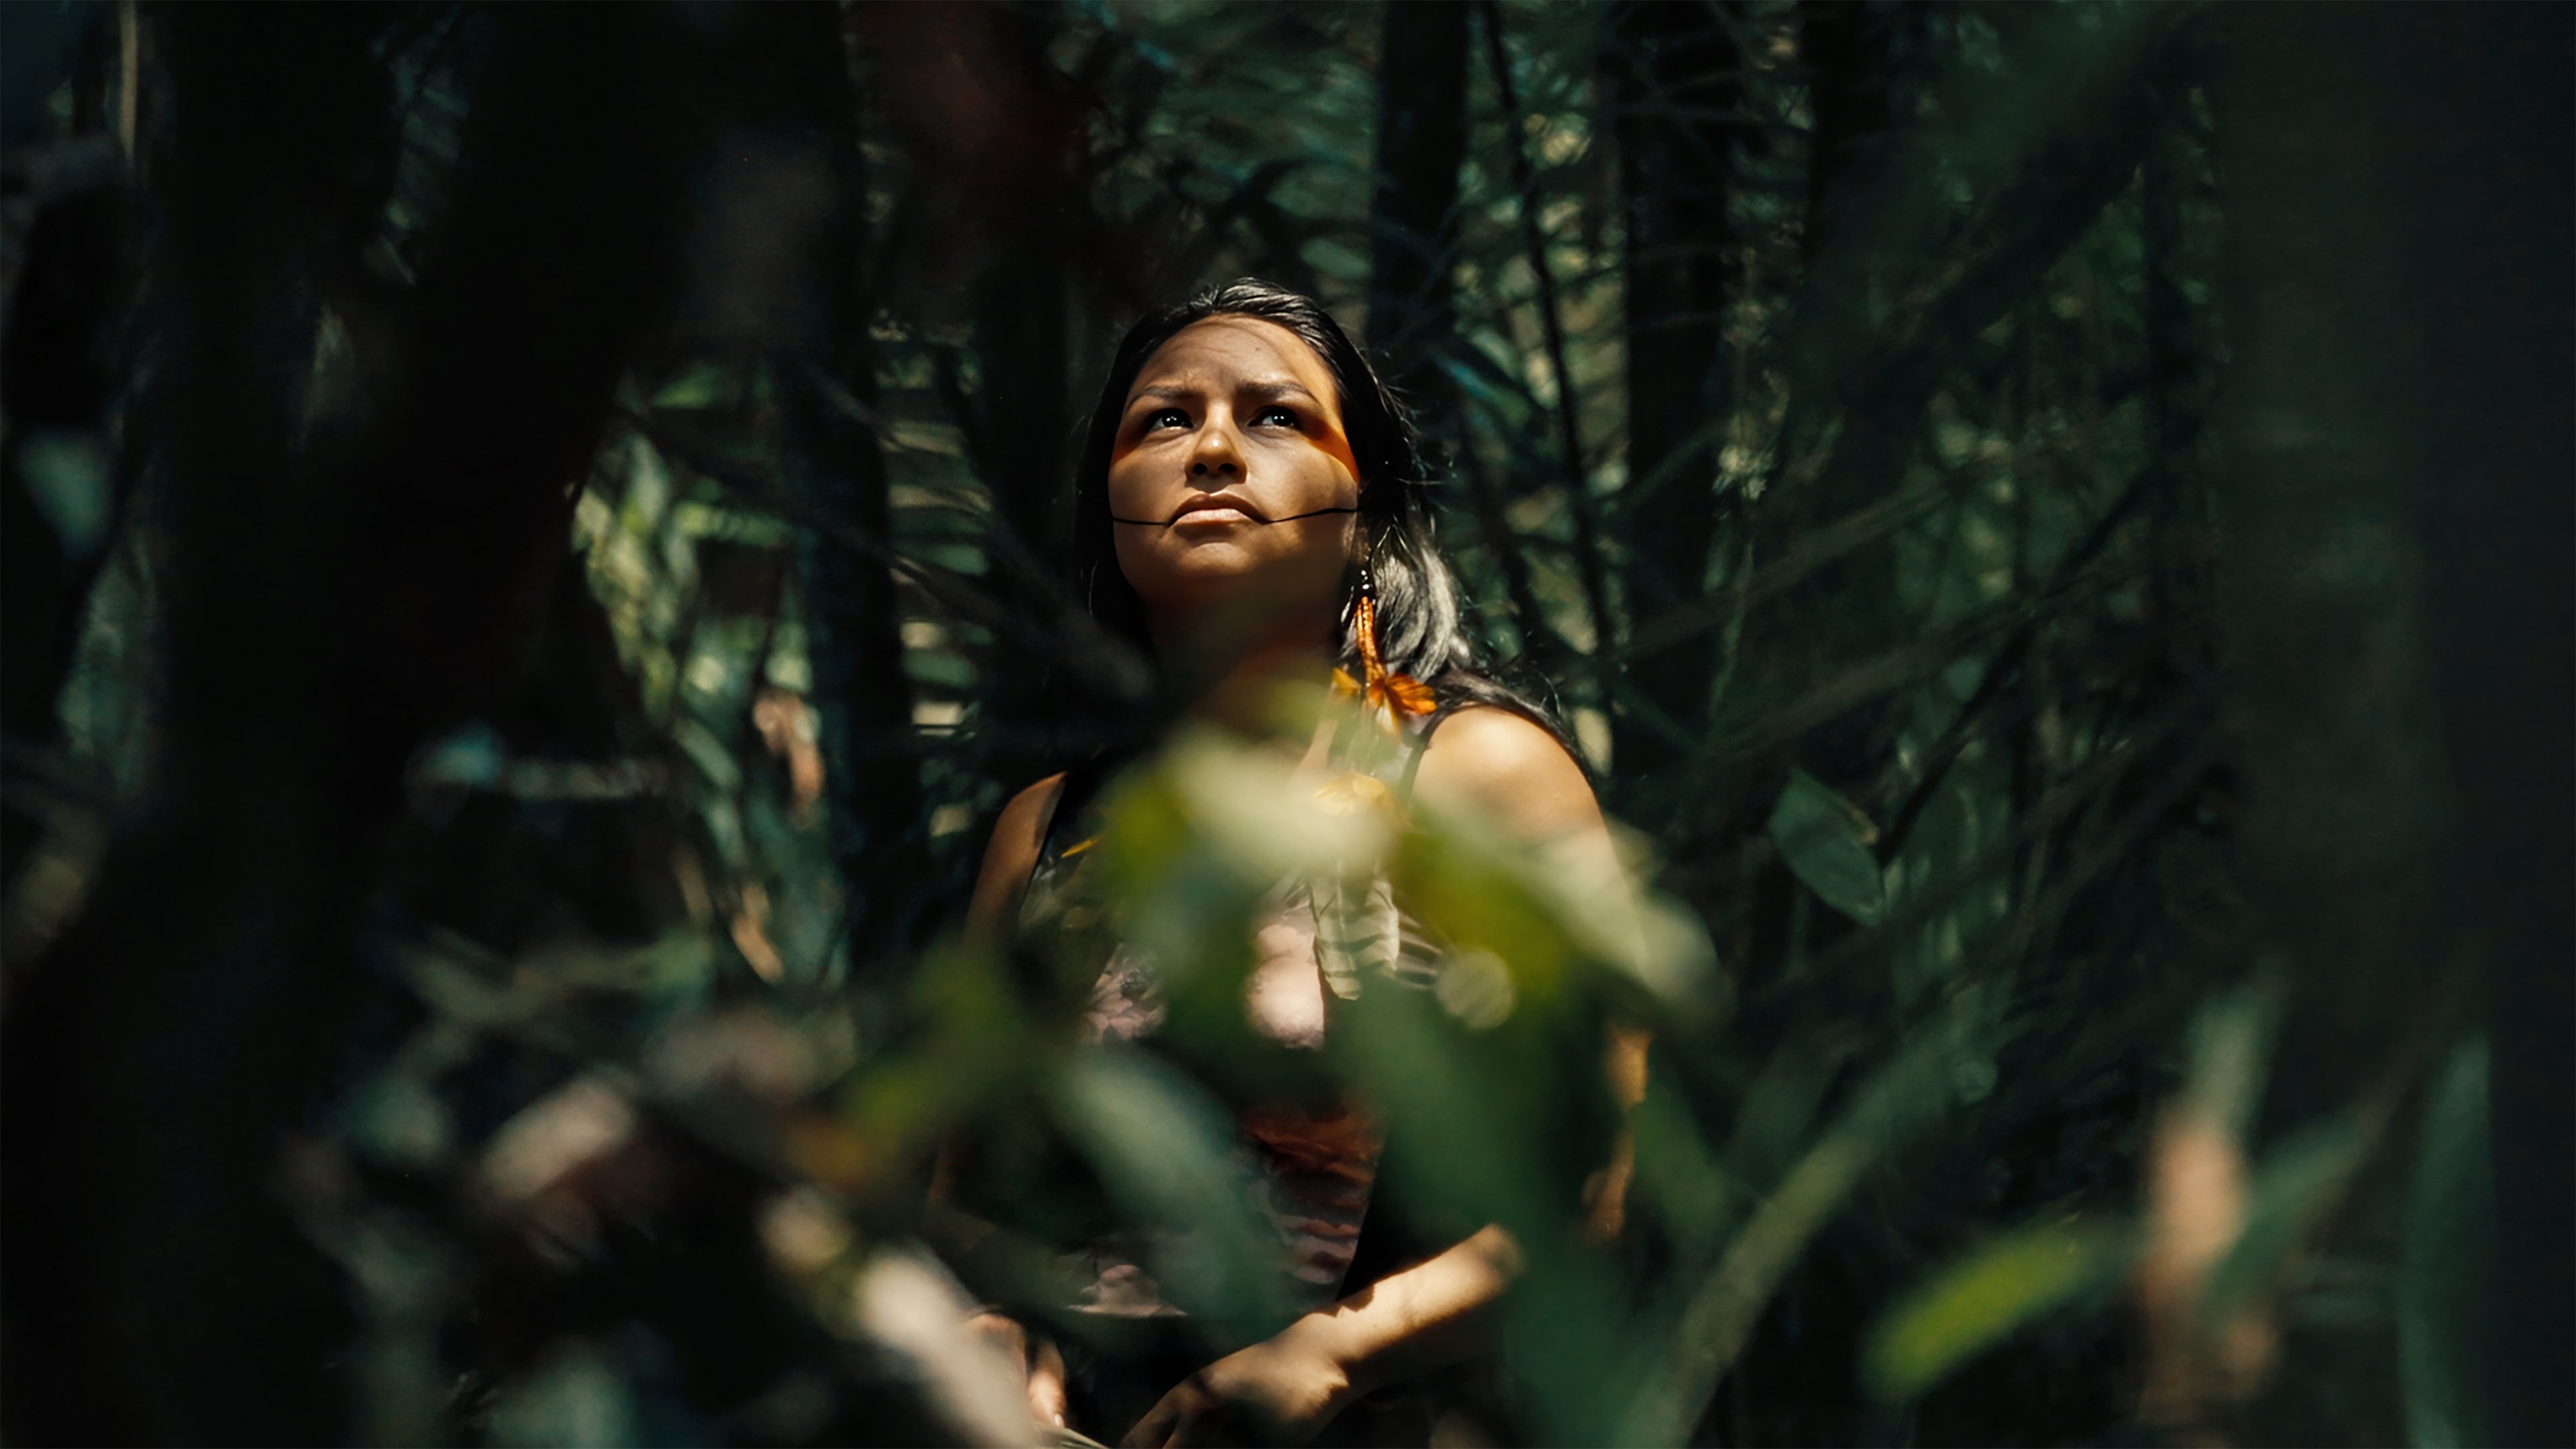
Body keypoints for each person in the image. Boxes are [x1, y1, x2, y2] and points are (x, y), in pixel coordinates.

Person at [959, 280, 1640, 1448]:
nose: (1214, 449)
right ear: (1108, 511)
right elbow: (960, 1186)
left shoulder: (1478, 777)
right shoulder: (1048, 826)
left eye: (1276, 415)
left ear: (1365, 512)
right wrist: (994, 1326)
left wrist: (1330, 1358)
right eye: (1162, 421)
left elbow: (1590, 1196)